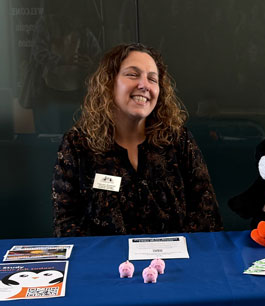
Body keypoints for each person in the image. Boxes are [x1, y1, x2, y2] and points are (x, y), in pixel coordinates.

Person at [52, 43, 223, 237]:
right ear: (109, 82)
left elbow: (207, 215)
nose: (144, 85)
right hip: (105, 263)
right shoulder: (77, 144)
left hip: (173, 262)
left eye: (152, 78)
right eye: (133, 75)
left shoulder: (178, 140)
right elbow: (66, 224)